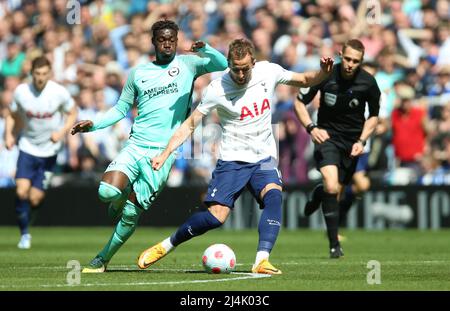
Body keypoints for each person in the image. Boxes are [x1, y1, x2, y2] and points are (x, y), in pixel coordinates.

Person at [137, 38, 334, 275]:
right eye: (235, 69)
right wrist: (165, 153)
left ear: (253, 61)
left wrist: (323, 72)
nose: (240, 74)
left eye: (245, 68)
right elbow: (190, 125)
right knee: (215, 218)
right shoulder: (217, 88)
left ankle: (262, 259)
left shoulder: (268, 71)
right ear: (228, 63)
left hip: (264, 158)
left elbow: (304, 79)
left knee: (273, 196)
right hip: (232, 161)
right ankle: (167, 245)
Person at [70, 20, 228, 273]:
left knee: (132, 214)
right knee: (107, 193)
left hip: (163, 154)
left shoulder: (188, 64)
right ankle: (118, 201)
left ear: (176, 41)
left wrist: (206, 48)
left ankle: (102, 260)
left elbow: (223, 64)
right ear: (154, 41)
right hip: (136, 145)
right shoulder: (138, 73)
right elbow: (121, 109)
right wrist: (93, 125)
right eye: (162, 39)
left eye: (172, 39)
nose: (167, 43)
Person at [294, 39, 381, 258]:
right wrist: (311, 128)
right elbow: (299, 102)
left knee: (337, 192)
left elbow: (373, 117)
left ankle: (318, 194)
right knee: (332, 186)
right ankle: (334, 245)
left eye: (356, 61)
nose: (351, 64)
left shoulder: (368, 83)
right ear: (341, 54)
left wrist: (361, 141)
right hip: (327, 138)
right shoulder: (326, 75)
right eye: (348, 58)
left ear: (361, 61)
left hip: (351, 144)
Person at [3, 56, 77, 249]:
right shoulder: (21, 92)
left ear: (50, 73)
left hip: (50, 152)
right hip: (27, 147)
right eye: (37, 74)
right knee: (21, 191)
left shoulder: (59, 92)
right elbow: (12, 115)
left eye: (44, 74)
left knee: (35, 198)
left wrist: (61, 132)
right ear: (31, 73)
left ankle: (29, 218)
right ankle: (24, 234)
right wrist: (9, 136)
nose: (40, 78)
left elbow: (73, 112)